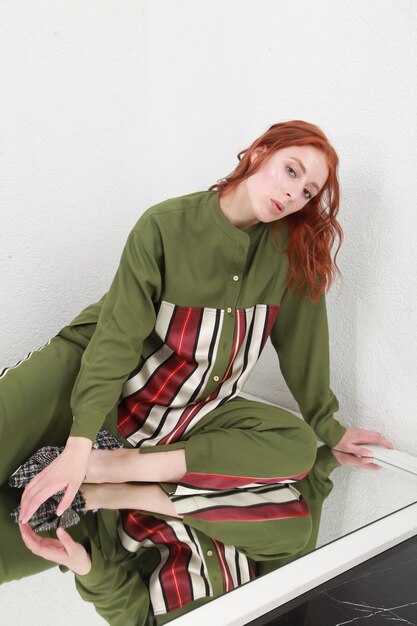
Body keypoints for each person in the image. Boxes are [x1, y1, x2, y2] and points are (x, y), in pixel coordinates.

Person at [1, 120, 393, 529]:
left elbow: (304, 351)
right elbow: (117, 337)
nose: (295, 193)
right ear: (260, 153)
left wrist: (329, 427)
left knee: (297, 447)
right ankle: (91, 458)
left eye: (308, 191)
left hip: (185, 410)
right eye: (291, 170)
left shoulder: (292, 254)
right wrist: (78, 445)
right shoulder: (164, 226)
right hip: (86, 369)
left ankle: (113, 467)